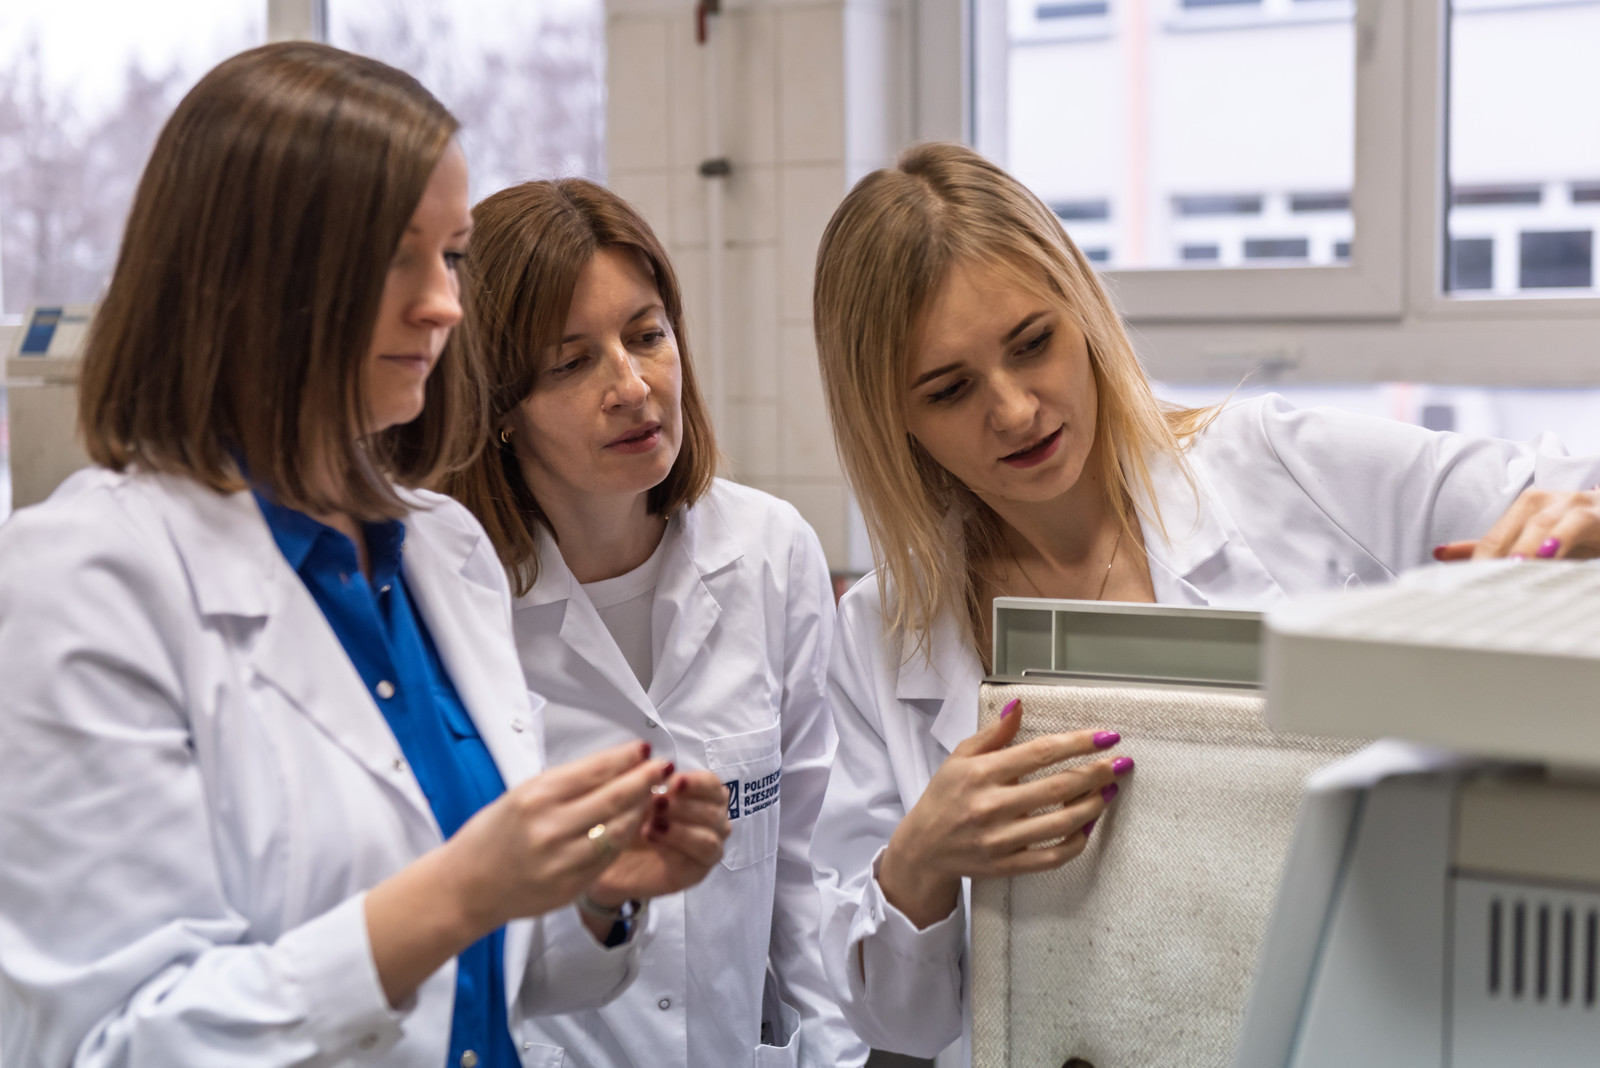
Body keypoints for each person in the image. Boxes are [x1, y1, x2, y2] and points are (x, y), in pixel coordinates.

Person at [0, 43, 728, 1067]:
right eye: (396, 258)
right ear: (249, 277)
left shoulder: (439, 550)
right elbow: (112, 1043)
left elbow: (487, 980)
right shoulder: (86, 579)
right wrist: (463, 888)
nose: (444, 304)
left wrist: (595, 893)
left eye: (452, 256)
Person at [805, 141, 1600, 1062]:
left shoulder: (1273, 467)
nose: (1016, 410)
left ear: (1082, 310)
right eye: (950, 390)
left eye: (1033, 343)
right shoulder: (880, 634)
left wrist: (1577, 525)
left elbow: (1562, 490)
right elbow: (901, 1025)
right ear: (891, 420)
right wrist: (921, 864)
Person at [441, 178, 867, 1068]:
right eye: (571, 364)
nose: (633, 387)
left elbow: (807, 876)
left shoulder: (770, 552)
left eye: (646, 335)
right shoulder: (452, 598)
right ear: (498, 408)